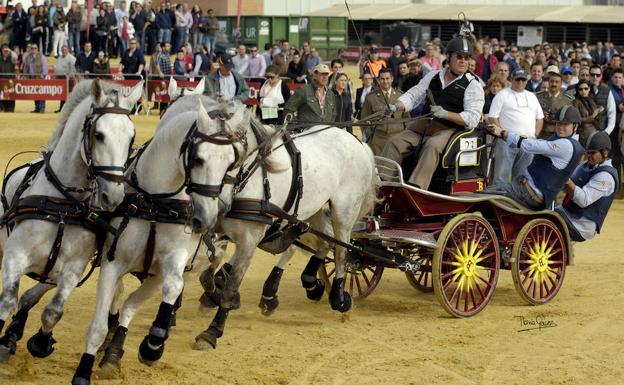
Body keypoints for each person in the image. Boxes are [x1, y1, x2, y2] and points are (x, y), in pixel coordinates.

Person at [381, 34, 484, 190]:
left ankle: (416, 188)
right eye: (459, 57)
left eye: (466, 57)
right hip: (424, 126)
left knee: (432, 146)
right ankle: (383, 184)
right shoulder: (433, 75)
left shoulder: (473, 85)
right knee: (394, 142)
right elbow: (414, 94)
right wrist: (397, 105)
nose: (463, 61)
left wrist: (446, 114)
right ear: (448, 57)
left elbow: (473, 118)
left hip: (450, 130)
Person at [487, 106, 585, 210]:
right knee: (491, 191)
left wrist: (502, 133)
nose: (561, 127)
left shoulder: (566, 145)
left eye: (565, 124)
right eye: (558, 123)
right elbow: (540, 143)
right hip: (527, 190)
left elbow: (531, 146)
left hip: (528, 193)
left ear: (575, 126)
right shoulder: (567, 143)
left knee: (486, 195)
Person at [556, 131, 618, 241]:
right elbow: (565, 183)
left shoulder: (606, 177)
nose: (588, 156)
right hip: (568, 213)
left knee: (546, 219)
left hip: (582, 226)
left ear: (605, 153)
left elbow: (583, 200)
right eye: (587, 152)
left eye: (592, 153)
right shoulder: (585, 165)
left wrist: (567, 180)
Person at [488, 69, 544, 189]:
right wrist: (502, 134)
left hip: (528, 141)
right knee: (501, 177)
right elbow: (493, 116)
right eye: (517, 79)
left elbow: (540, 118)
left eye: (523, 79)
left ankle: (518, 203)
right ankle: (498, 203)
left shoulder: (532, 96)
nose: (520, 82)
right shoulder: (502, 94)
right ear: (511, 80)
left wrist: (535, 135)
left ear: (526, 81)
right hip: (506, 140)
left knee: (522, 178)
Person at [361, 67, 410, 154]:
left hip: (397, 139)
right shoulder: (370, 97)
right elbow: (365, 119)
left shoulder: (401, 96)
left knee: (395, 166)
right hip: (377, 141)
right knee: (379, 165)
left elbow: (407, 119)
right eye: (382, 79)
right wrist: (371, 135)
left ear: (392, 79)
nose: (385, 81)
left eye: (387, 78)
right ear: (379, 80)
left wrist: (404, 137)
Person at [537, 65, 574, 139]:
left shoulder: (567, 100)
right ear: (548, 83)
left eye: (557, 82)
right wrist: (541, 115)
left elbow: (570, 119)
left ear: (560, 84)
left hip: (559, 134)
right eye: (552, 81)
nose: (554, 84)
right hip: (541, 133)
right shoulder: (539, 97)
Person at [572, 80, 603, 146]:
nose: (583, 91)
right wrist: (592, 117)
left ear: (589, 89)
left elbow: (597, 117)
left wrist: (599, 111)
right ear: (578, 91)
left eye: (586, 88)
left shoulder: (591, 100)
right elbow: (577, 119)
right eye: (581, 89)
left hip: (595, 130)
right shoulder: (576, 102)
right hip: (583, 133)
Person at [588, 65, 616, 135]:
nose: (595, 77)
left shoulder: (607, 91)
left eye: (598, 75)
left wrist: (607, 131)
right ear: (589, 75)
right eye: (592, 74)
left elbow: (612, 113)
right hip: (585, 131)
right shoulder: (582, 89)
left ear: (601, 76)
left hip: (602, 131)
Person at [22, 43, 48, 113]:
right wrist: (25, 76)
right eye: (32, 48)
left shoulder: (42, 57)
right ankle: (37, 108)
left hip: (40, 78)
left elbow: (45, 68)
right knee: (34, 93)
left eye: (35, 48)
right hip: (31, 78)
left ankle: (42, 108)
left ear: (37, 49)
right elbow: (25, 67)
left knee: (41, 93)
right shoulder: (27, 57)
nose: (33, 49)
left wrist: (42, 77)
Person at [54, 46, 76, 112]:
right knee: (62, 95)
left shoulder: (71, 58)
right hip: (60, 78)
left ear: (68, 50)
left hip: (68, 79)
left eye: (65, 50)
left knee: (69, 94)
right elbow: (57, 66)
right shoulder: (59, 57)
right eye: (62, 50)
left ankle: (70, 109)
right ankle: (62, 108)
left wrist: (69, 77)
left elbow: (73, 70)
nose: (64, 51)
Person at [0, 45, 16, 112]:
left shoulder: (12, 58)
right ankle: (3, 108)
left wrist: (10, 50)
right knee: (2, 96)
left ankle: (10, 109)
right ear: (2, 52)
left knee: (11, 95)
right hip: (2, 80)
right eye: (4, 50)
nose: (6, 52)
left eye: (7, 51)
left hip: (10, 80)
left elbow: (16, 56)